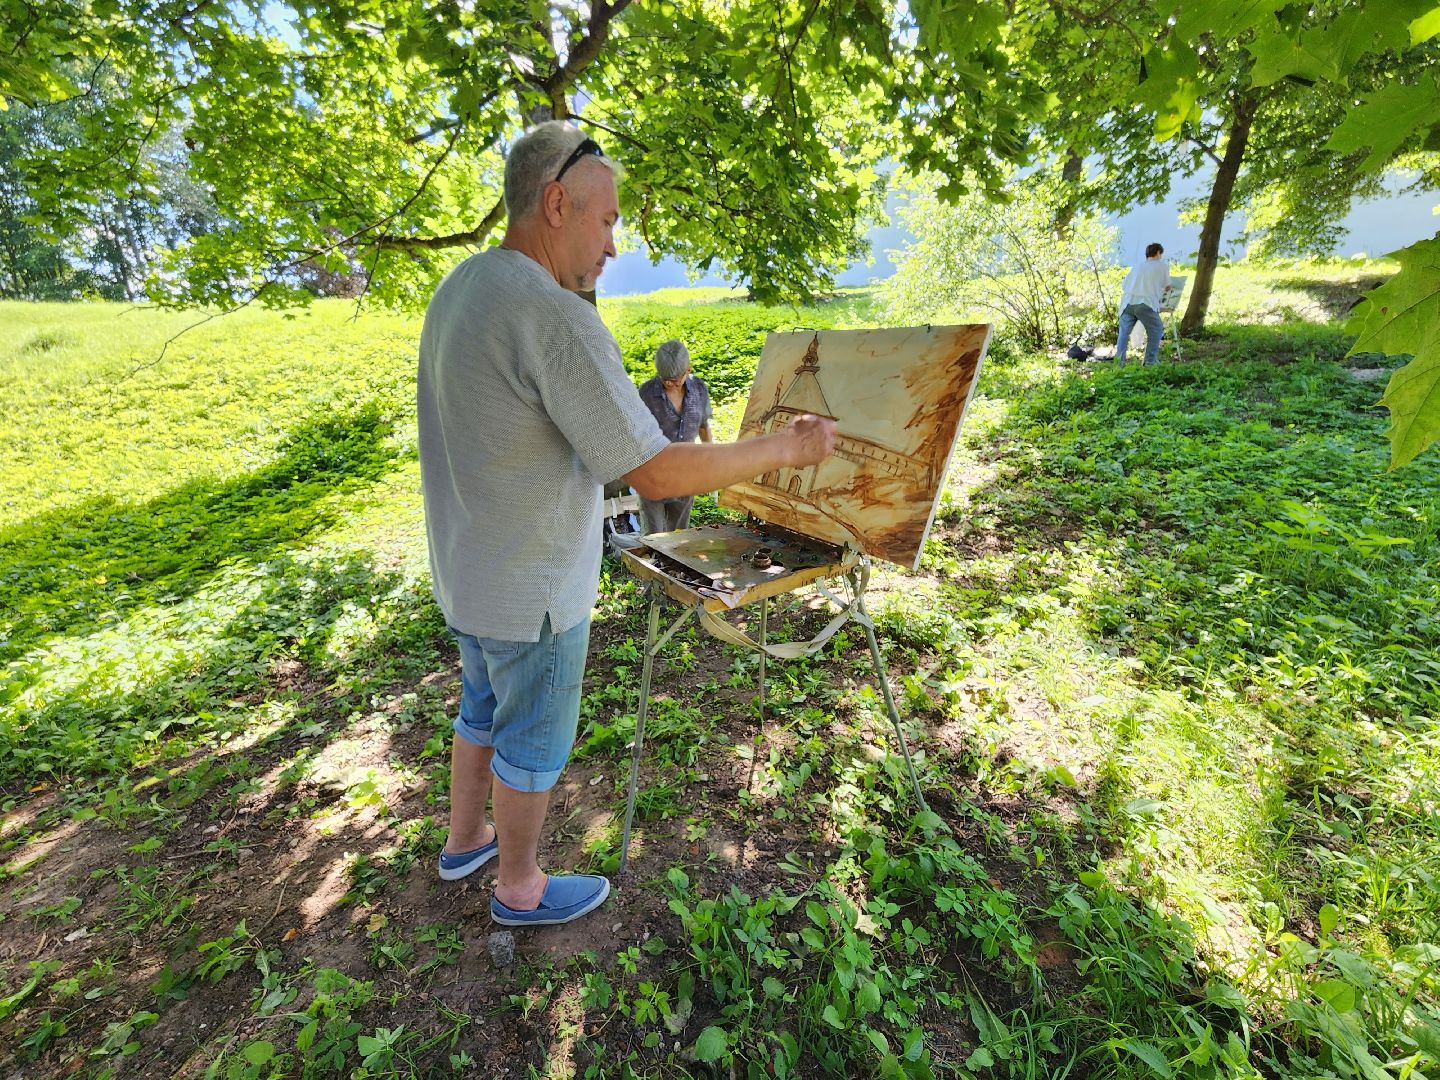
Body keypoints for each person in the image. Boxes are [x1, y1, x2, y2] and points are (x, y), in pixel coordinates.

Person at [416, 121, 838, 928]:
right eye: (607, 219)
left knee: (479, 711)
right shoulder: (554, 316)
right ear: (555, 203)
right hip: (530, 594)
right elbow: (655, 469)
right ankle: (519, 889)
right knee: (531, 746)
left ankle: (462, 841)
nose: (615, 243)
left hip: (468, 575)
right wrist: (785, 445)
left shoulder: (462, 287)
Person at [636, 339, 712, 534]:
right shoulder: (646, 393)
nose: (670, 383)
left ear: (688, 370)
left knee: (679, 535)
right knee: (653, 536)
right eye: (665, 379)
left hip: (685, 476)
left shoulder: (699, 390)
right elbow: (634, 432)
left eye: (675, 379)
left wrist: (709, 459)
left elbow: (703, 426)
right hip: (652, 476)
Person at [1115, 242, 1169, 366]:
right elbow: (1167, 285)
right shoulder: (1161, 266)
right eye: (1160, 254)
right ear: (1158, 253)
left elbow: (1124, 285)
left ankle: (1119, 363)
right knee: (1156, 329)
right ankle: (1150, 361)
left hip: (1127, 304)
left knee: (1123, 334)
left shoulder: (1137, 266)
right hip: (1145, 303)